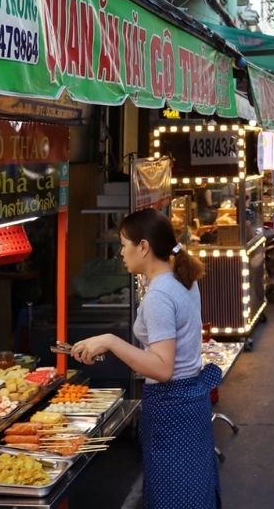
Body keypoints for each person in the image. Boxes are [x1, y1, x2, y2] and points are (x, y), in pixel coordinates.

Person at [70, 209, 221, 509]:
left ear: (144, 247)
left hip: (172, 407)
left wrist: (110, 342)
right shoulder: (183, 280)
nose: (121, 253)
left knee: (173, 496)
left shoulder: (160, 295)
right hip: (190, 404)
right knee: (194, 491)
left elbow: (162, 368)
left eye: (124, 244)